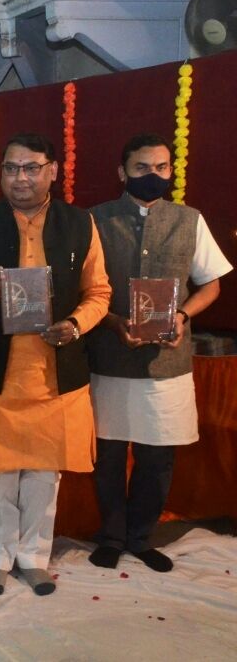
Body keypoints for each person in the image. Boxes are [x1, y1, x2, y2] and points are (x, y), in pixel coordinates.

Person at [0, 133, 111, 596]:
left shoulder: (79, 223)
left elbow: (99, 293)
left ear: (52, 171)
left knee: (45, 476)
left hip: (55, 374)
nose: (20, 178)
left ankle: (34, 558)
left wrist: (75, 325)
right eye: (11, 168)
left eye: (30, 168)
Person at [86, 134, 232, 572]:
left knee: (157, 456)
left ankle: (141, 537)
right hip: (110, 359)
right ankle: (112, 536)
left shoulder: (189, 220)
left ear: (171, 170)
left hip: (166, 365)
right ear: (122, 172)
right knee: (109, 455)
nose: (153, 175)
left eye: (161, 168)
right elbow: (84, 289)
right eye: (142, 168)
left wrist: (182, 316)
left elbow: (211, 285)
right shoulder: (96, 220)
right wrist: (115, 323)